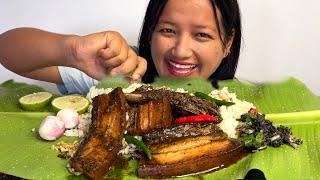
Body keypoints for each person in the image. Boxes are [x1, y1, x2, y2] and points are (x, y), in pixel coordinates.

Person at [0, 0, 241, 95]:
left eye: (201, 35)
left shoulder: (242, 104)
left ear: (227, 42)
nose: (180, 51)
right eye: (167, 30)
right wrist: (72, 51)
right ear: (151, 32)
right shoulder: (121, 72)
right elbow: (6, 51)